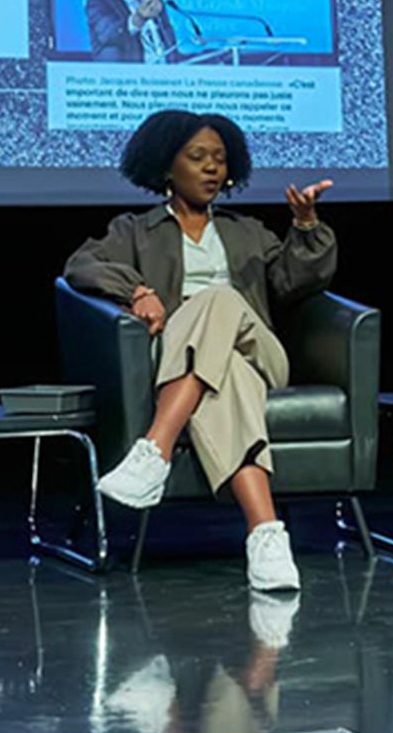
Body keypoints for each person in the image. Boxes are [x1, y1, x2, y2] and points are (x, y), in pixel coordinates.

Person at [65, 110, 336, 591]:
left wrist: (306, 226)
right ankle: (266, 536)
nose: (212, 168)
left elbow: (296, 281)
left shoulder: (247, 232)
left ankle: (154, 450)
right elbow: (82, 265)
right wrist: (137, 291)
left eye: (219, 159)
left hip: (261, 354)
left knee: (219, 299)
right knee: (226, 381)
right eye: (197, 157)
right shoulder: (134, 231)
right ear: (167, 167)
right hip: (194, 366)